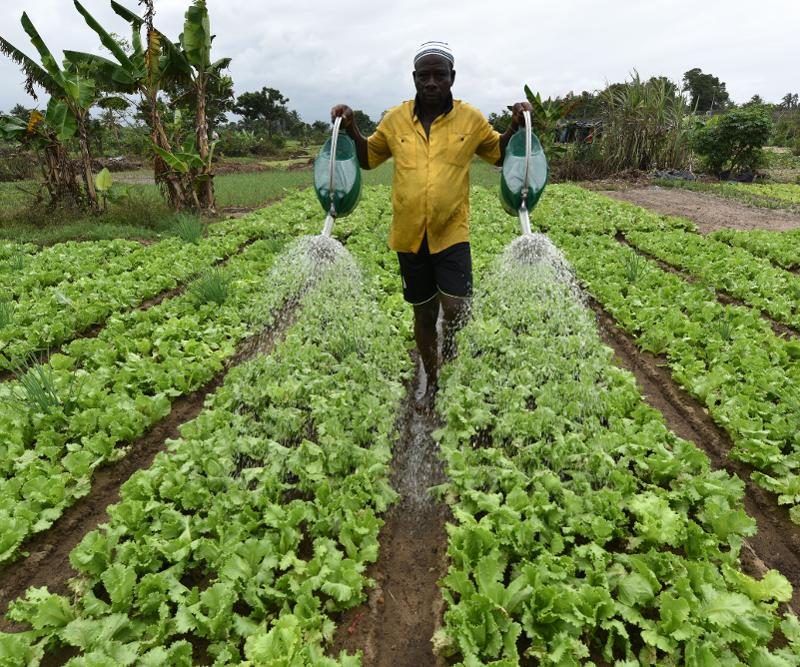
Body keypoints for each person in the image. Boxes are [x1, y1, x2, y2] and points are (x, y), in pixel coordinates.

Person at [332, 41, 531, 410]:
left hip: (452, 232)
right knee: (423, 313)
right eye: (424, 75)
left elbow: (499, 153)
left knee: (456, 308)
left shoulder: (470, 119)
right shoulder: (395, 119)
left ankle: (451, 350)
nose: (432, 82)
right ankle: (433, 381)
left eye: (440, 75)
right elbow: (368, 158)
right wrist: (351, 127)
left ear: (452, 77)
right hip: (409, 237)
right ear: (414, 78)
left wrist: (516, 126)